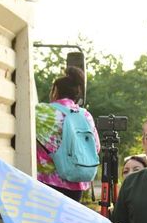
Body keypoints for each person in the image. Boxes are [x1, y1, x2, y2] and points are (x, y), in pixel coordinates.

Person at [35, 66, 100, 201]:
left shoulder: (42, 111)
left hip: (49, 182)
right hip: (77, 182)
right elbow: (96, 147)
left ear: (55, 91)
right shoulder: (85, 115)